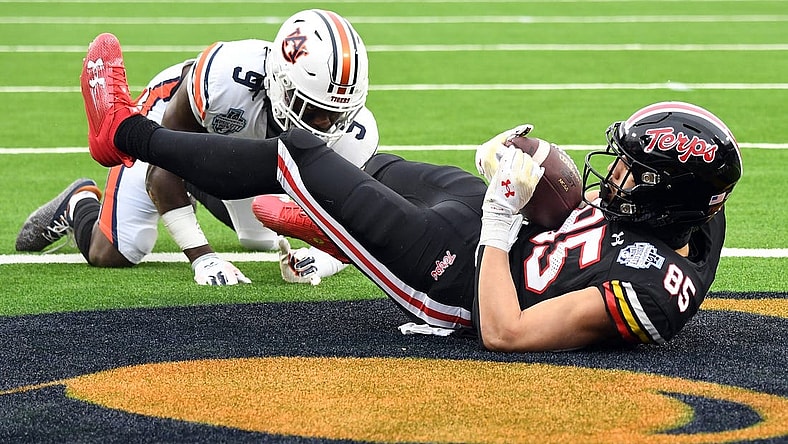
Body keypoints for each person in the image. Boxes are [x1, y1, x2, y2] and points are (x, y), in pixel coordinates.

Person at [79, 32, 743, 352]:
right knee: (358, 161)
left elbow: (506, 332)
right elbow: (599, 215)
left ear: (668, 199)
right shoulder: (694, 213)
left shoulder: (646, 292)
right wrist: (543, 178)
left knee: (296, 156)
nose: (615, 175)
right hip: (499, 230)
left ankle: (124, 132)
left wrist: (500, 217)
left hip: (459, 274)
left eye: (632, 172)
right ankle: (331, 221)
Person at [16, 9, 377, 286]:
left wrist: (322, 260)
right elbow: (164, 165)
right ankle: (79, 201)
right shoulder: (222, 82)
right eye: (315, 111)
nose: (328, 125)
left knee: (262, 237)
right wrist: (202, 256)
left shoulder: (355, 132)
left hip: (240, 153)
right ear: (280, 83)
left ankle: (200, 185)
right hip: (177, 123)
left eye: (338, 112)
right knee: (114, 250)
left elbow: (352, 220)